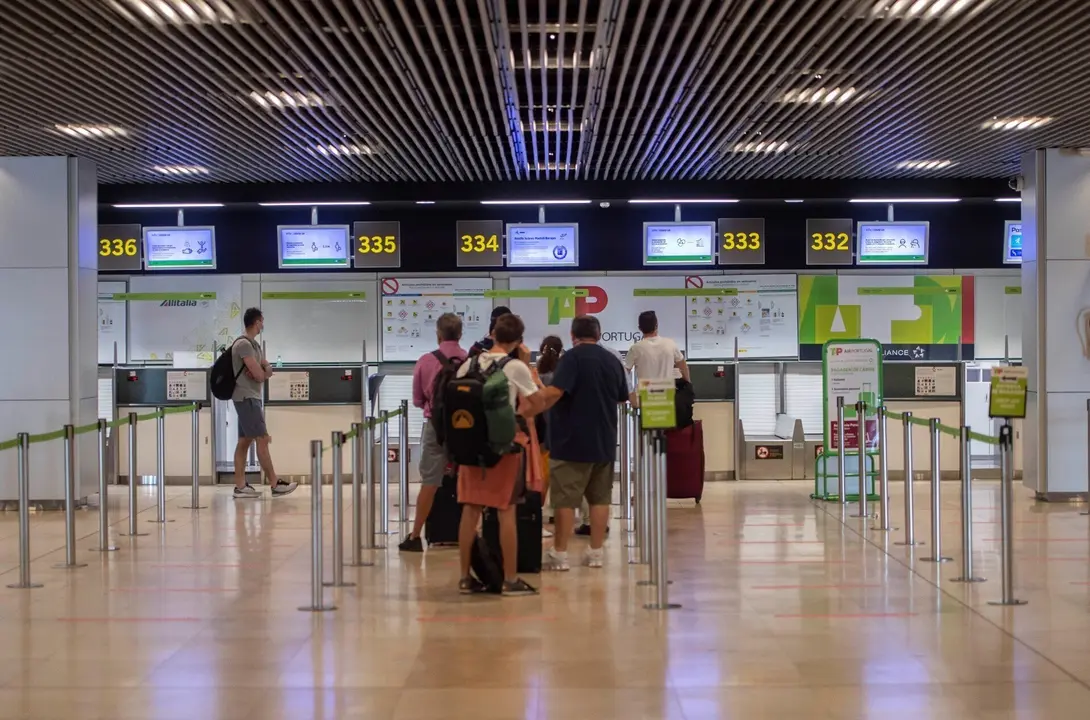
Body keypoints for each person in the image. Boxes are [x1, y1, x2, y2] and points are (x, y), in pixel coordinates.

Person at [456, 313, 544, 596]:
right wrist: (519, 414)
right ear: (518, 340)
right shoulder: (515, 366)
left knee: (470, 510)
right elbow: (538, 401)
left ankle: (464, 578)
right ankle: (509, 578)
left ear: (492, 333)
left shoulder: (468, 364)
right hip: (503, 451)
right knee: (506, 511)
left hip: (470, 449)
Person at [539, 316, 629, 570]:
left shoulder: (571, 359)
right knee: (600, 499)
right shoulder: (612, 361)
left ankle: (560, 553)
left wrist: (532, 403)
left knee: (565, 500)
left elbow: (556, 392)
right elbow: (623, 397)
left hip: (571, 442)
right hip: (604, 441)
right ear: (598, 335)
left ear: (572, 335)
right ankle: (596, 552)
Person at [399, 313, 466, 552]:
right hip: (465, 428)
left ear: (438, 335)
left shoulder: (426, 361)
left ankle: (416, 535)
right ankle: (470, 534)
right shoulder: (469, 360)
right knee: (466, 479)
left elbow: (418, 400)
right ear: (460, 334)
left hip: (434, 427)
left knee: (429, 481)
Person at [231, 308, 298, 499]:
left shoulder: (254, 346)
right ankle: (275, 483)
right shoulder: (244, 345)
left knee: (244, 442)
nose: (263, 325)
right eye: (262, 321)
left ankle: (240, 486)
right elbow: (261, 374)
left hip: (249, 397)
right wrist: (264, 371)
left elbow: (265, 367)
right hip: (247, 398)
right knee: (262, 439)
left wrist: (264, 369)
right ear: (256, 322)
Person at [535, 336, 564, 537]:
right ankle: (555, 510)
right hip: (559, 426)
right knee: (559, 470)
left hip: (540, 426)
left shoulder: (537, 370)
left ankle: (537, 510)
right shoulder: (562, 370)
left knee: (541, 471)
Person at [625, 310, 690, 387]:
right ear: (657, 325)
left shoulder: (635, 348)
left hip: (645, 394)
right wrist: (688, 385)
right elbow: (683, 366)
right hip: (667, 394)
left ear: (640, 328)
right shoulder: (670, 344)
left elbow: (624, 372)